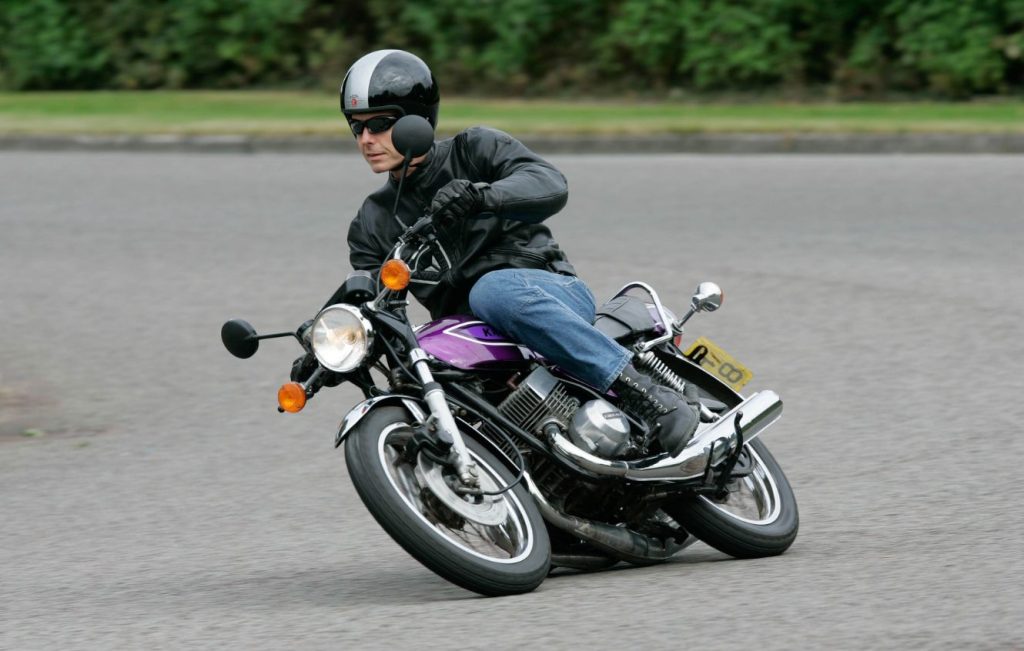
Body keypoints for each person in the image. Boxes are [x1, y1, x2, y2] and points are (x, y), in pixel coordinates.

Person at [333, 49, 699, 456]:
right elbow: (370, 299)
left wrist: (482, 196)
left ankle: (648, 396)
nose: (367, 140)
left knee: (490, 291)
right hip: (474, 338)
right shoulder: (371, 221)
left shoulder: (473, 150)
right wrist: (329, 343)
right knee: (415, 366)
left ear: (417, 119)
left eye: (380, 124)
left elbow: (549, 183)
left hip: (546, 291)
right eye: (357, 128)